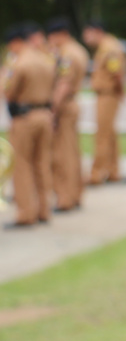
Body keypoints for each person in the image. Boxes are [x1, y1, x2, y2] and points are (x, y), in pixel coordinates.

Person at [2, 22, 56, 228]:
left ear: (15, 43)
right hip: (44, 115)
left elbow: (8, 91)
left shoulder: (18, 63)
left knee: (21, 165)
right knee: (42, 163)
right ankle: (44, 210)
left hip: (25, 118)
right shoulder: (45, 59)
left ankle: (26, 214)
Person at [47, 17, 90, 211]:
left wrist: (52, 109)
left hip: (64, 106)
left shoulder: (67, 54)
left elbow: (63, 84)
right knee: (72, 152)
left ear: (61, 34)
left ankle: (65, 198)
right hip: (72, 103)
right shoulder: (78, 49)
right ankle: (76, 194)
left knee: (62, 155)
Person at [82, 20, 126, 184]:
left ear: (97, 31)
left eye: (88, 33)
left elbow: (117, 73)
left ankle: (96, 173)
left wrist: (120, 91)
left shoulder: (109, 48)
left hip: (108, 94)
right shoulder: (107, 46)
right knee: (109, 133)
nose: (85, 38)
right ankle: (114, 171)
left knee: (102, 134)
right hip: (107, 94)